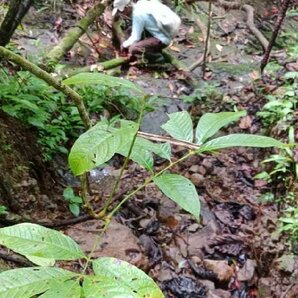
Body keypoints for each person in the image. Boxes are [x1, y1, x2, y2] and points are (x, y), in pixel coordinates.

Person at [112, 0, 181, 61]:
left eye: (121, 11)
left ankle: (157, 57)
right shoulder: (142, 4)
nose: (122, 14)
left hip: (163, 39)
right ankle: (149, 48)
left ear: (126, 7)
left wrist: (124, 45)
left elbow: (135, 37)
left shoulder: (137, 14)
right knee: (130, 30)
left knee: (133, 48)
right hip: (163, 32)